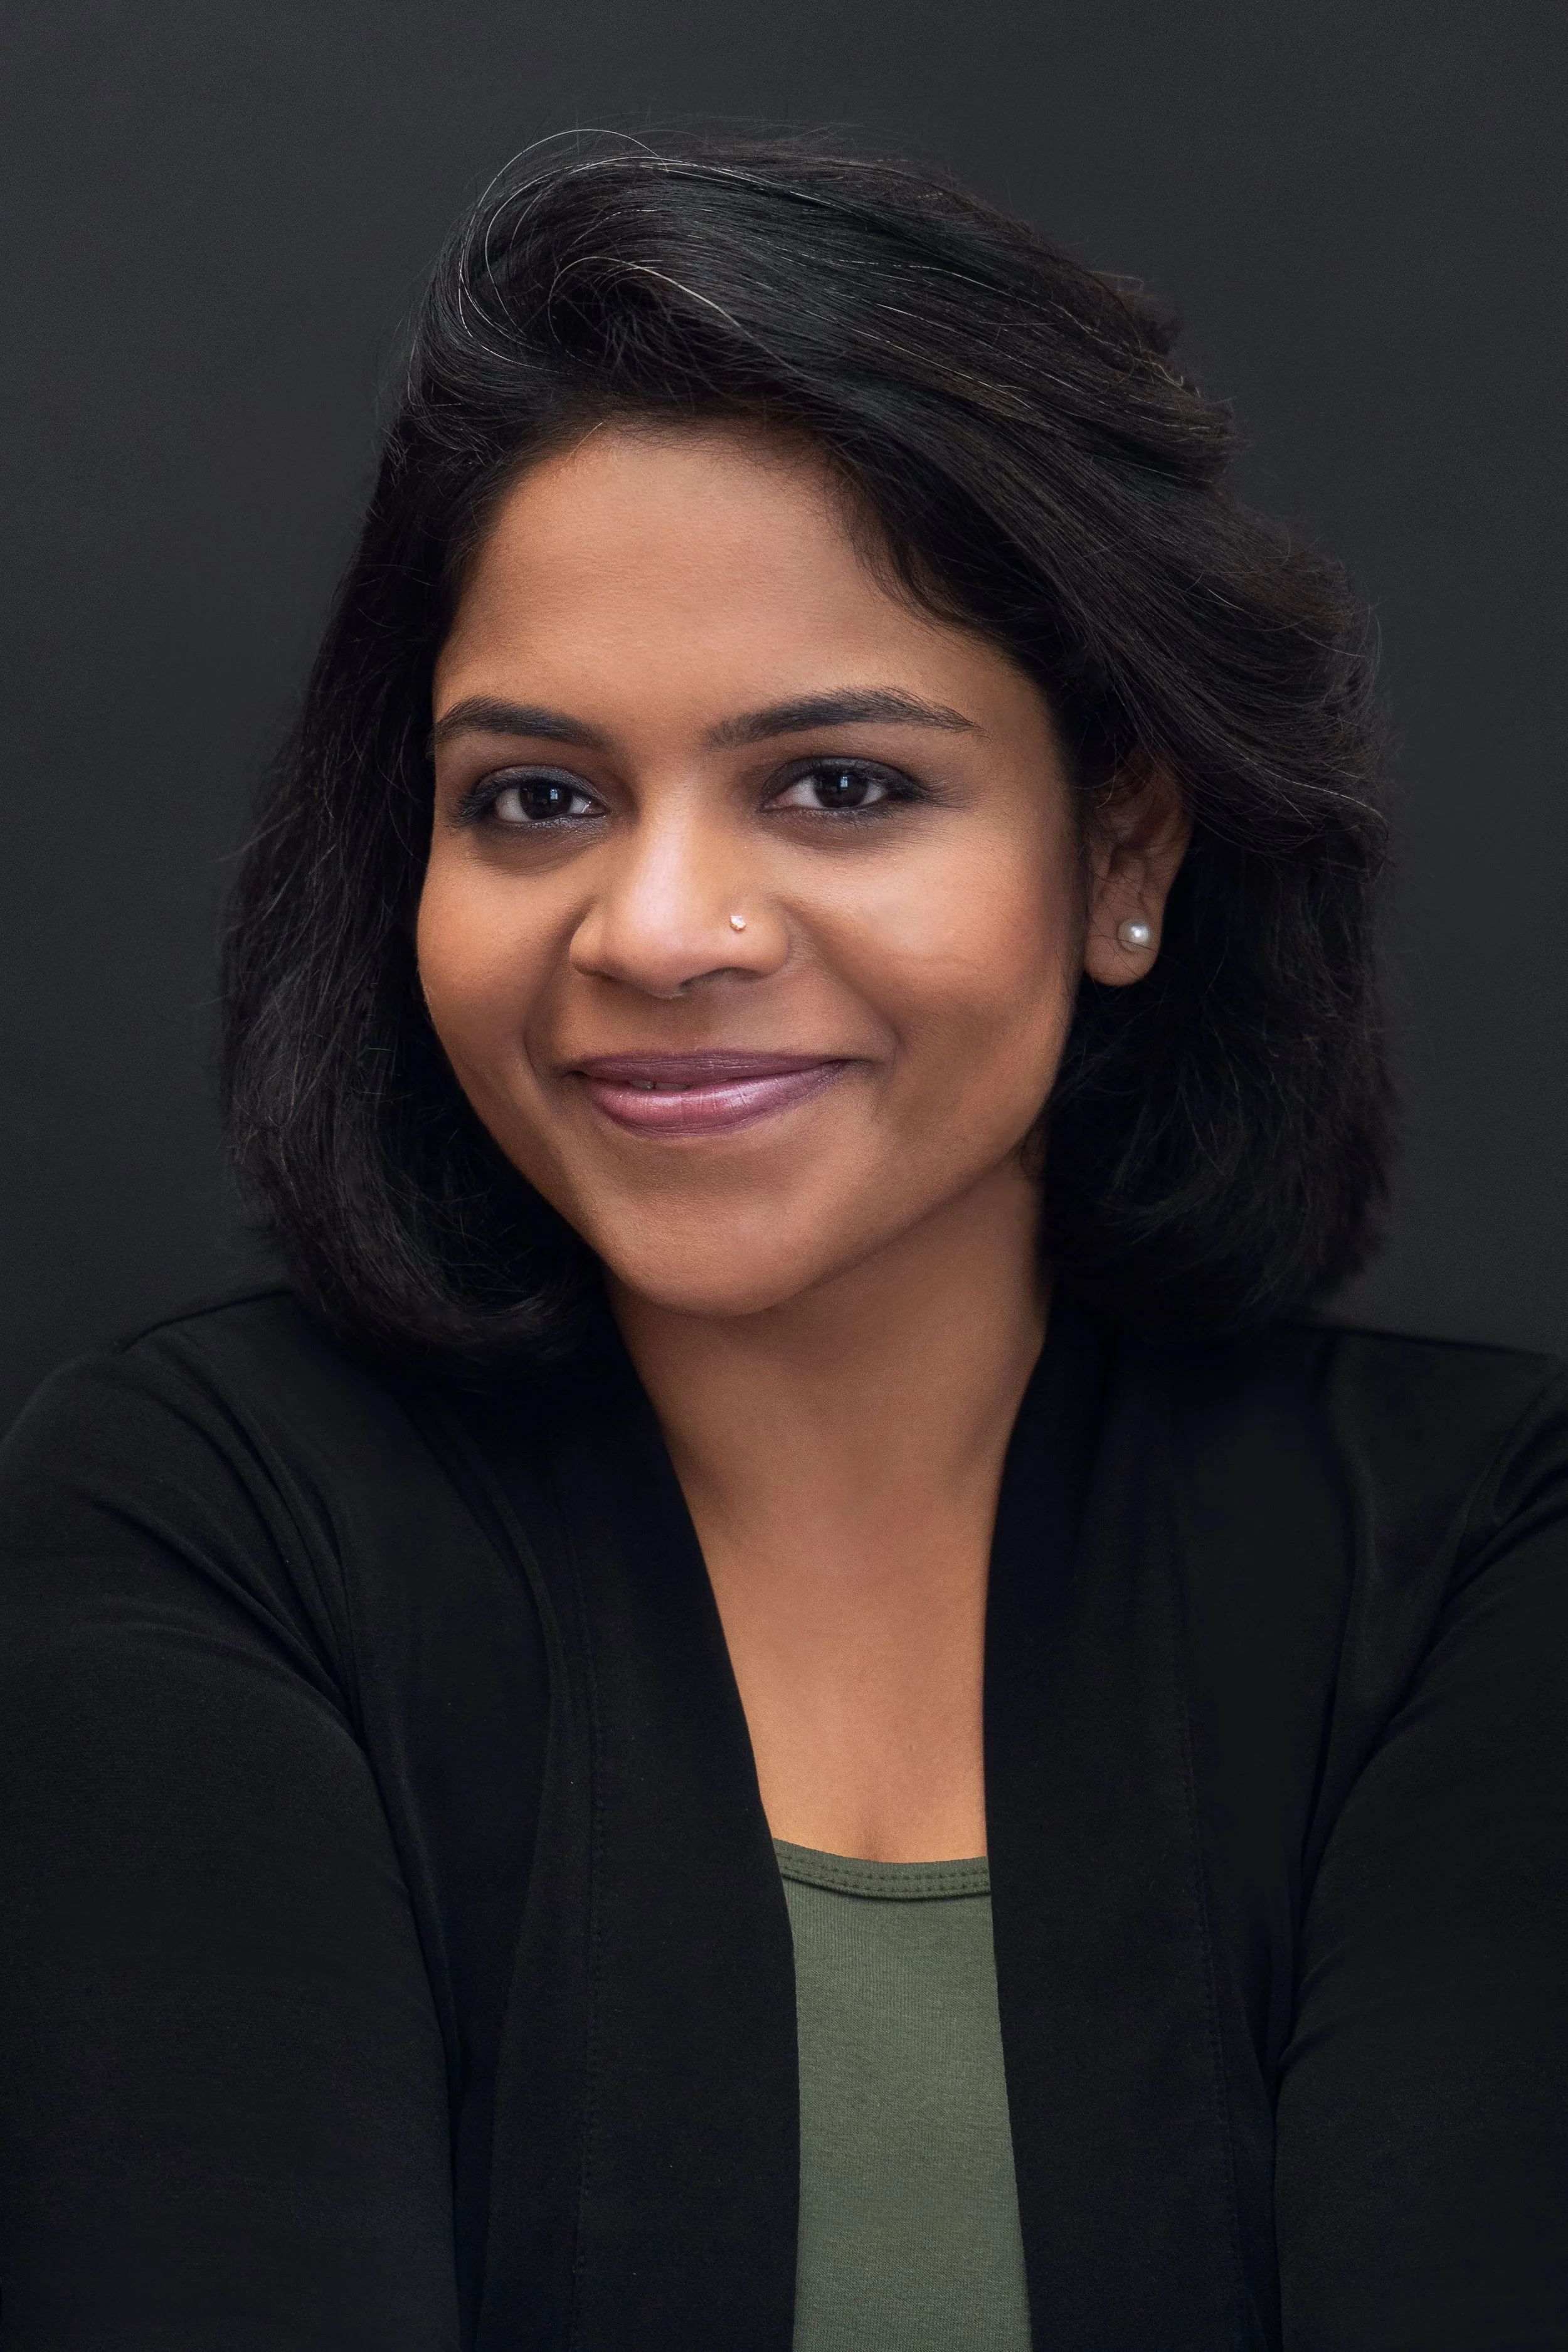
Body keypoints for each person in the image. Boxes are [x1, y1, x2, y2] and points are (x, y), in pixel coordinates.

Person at [0, 135, 1563, 2352]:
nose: (652, 930)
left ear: (1119, 848)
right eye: (533, 795)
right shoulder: (202, 1519)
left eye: (839, 783)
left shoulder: (1481, 1553)